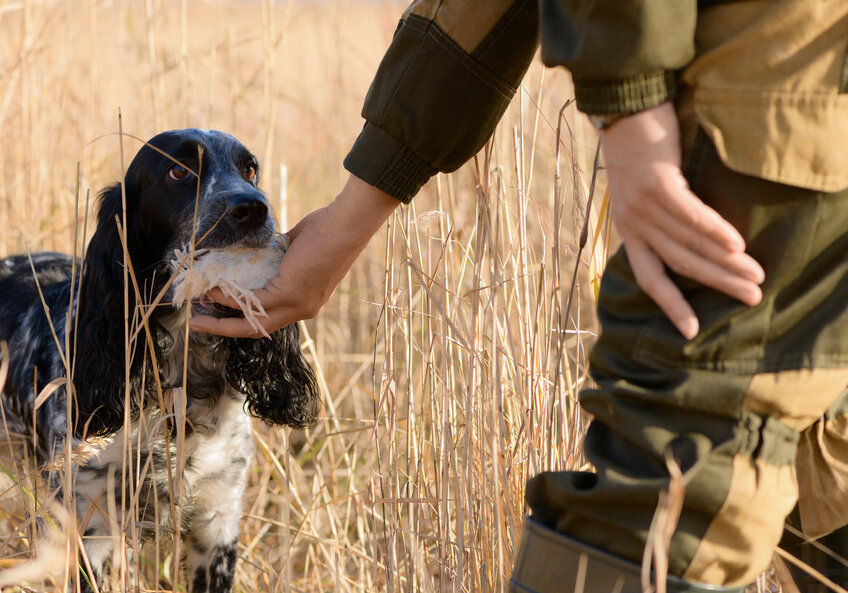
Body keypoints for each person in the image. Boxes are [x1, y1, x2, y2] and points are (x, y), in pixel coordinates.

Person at [190, 1, 848, 591]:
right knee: (831, 468)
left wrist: (632, 105)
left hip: (780, 98)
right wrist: (357, 208)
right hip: (796, 101)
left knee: (662, 493)